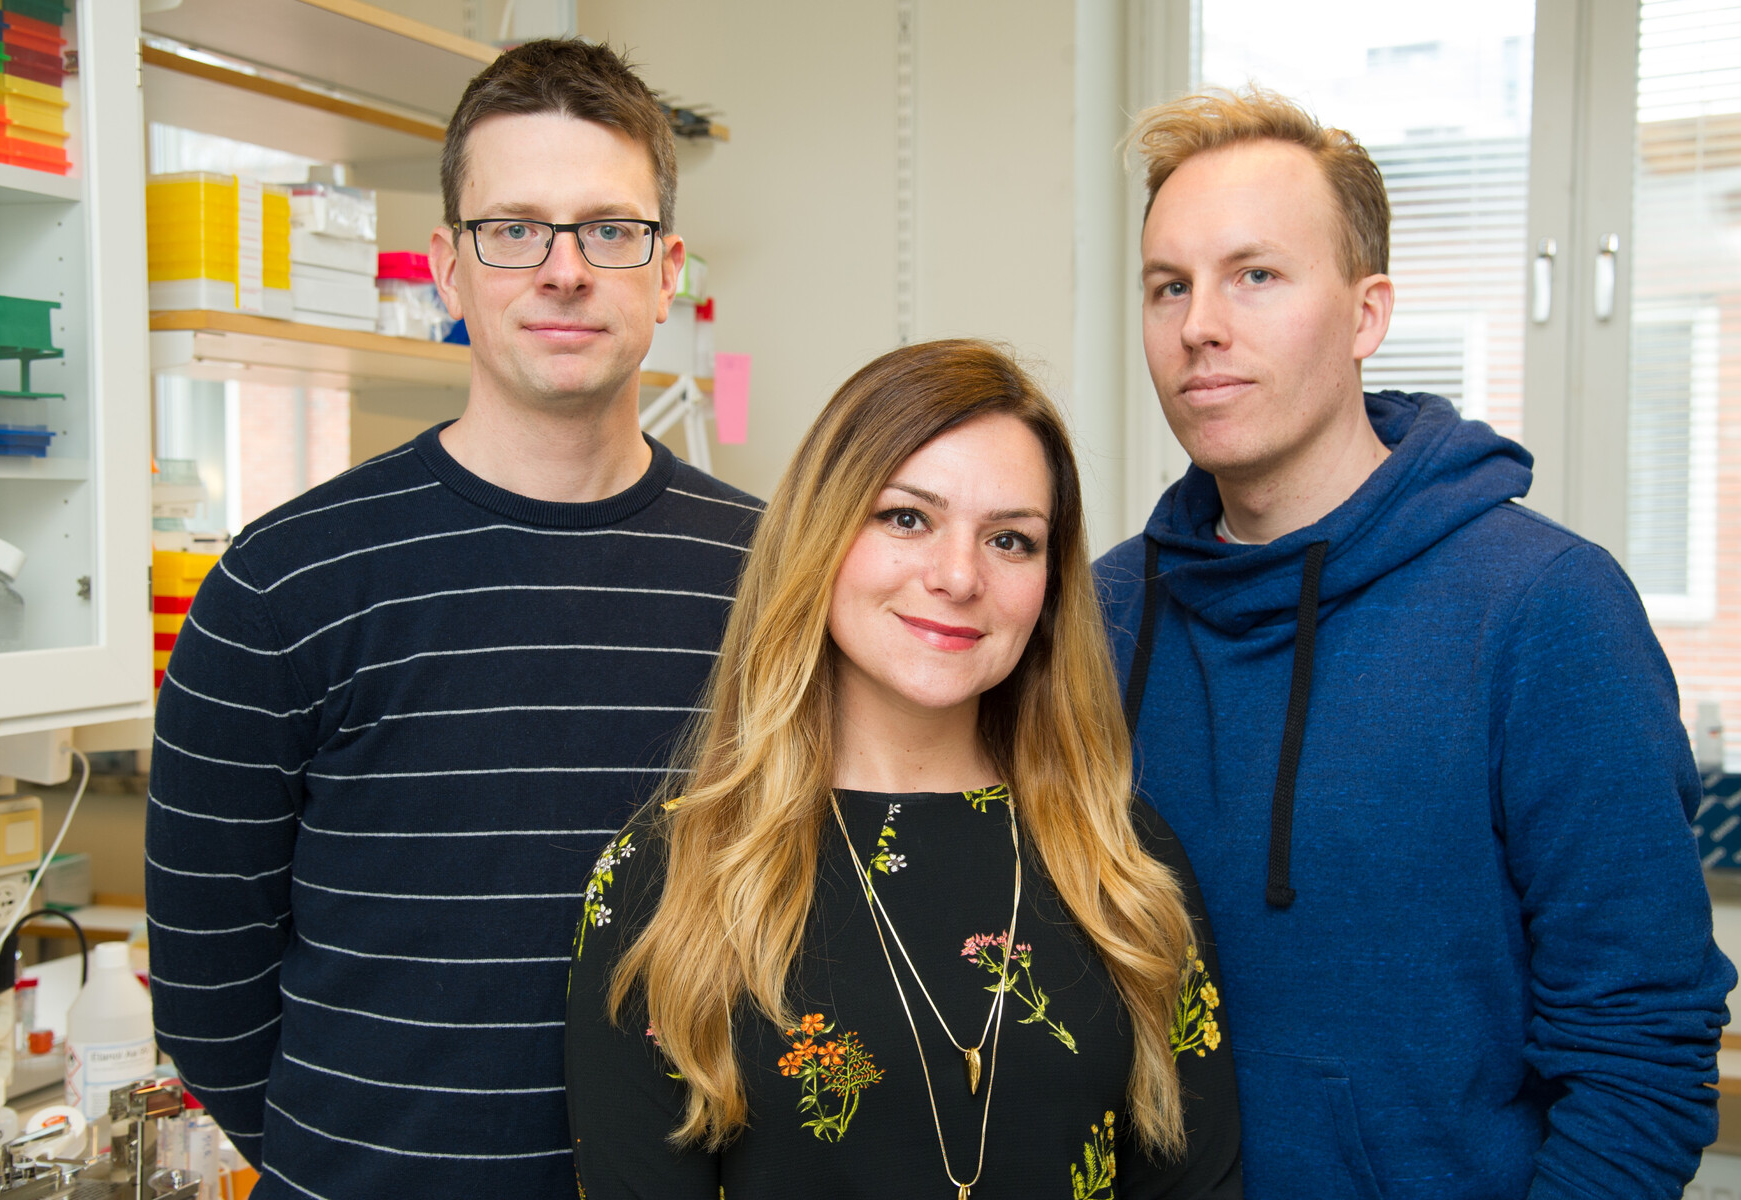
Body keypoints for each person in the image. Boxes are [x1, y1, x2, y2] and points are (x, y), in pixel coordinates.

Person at [144, 40, 760, 1199]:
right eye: (515, 228)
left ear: (667, 268)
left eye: (609, 230)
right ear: (448, 265)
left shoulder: (770, 575)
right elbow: (205, 991)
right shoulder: (281, 582)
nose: (565, 270)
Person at [1095, 87, 1734, 1200]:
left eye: (1256, 275)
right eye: (1169, 286)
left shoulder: (1546, 611)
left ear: (1366, 313)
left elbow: (1643, 1062)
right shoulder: (1100, 618)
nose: (1201, 323)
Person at [567, 339, 1241, 1199]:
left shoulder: (1125, 863)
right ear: (822, 534)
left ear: (1049, 588)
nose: (959, 577)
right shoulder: (667, 875)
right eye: (907, 518)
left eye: (1010, 539)